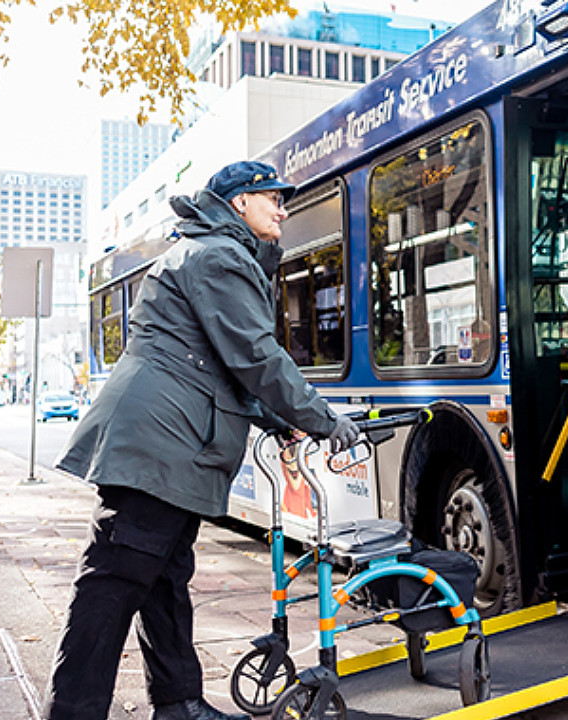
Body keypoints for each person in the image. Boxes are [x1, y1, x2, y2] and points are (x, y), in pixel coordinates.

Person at [44, 161, 360, 720]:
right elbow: (257, 358)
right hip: (161, 442)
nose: (283, 209)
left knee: (164, 580)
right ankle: (73, 711)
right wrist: (322, 419)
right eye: (273, 198)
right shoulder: (218, 256)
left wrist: (277, 420)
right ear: (239, 202)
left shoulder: (210, 253)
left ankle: (179, 703)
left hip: (169, 438)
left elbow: (222, 368)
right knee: (113, 583)